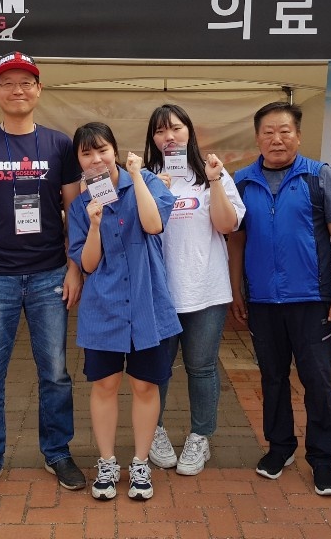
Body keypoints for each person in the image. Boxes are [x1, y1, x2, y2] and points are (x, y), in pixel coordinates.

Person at [0, 51, 86, 502]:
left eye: (26, 82)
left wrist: (74, 269)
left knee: (56, 374)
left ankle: (58, 452)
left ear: (39, 89)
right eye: (7, 83)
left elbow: (76, 211)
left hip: (50, 276)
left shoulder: (59, 145)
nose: (17, 90)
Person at [228, 102, 331, 496]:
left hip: (312, 299)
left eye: (284, 131)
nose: (277, 139)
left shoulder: (318, 176)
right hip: (263, 301)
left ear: (298, 136)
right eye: (268, 132)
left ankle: (323, 459)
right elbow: (236, 242)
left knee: (317, 379)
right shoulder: (242, 181)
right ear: (257, 138)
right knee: (272, 377)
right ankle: (280, 447)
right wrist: (236, 290)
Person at [67, 122, 181, 501]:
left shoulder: (146, 181)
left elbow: (154, 224)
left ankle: (140, 463)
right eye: (86, 154)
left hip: (148, 303)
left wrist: (136, 176)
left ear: (115, 150)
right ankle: (107, 462)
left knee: (145, 385)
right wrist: (94, 225)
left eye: (102, 150)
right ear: (79, 161)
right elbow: (87, 264)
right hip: (104, 307)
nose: (96, 159)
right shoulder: (81, 205)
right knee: (104, 385)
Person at [141, 104, 245, 475]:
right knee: (157, 370)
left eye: (176, 128)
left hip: (205, 290)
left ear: (189, 131)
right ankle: (153, 431)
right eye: (160, 131)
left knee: (201, 368)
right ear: (152, 138)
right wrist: (157, 192)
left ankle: (201, 436)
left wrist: (214, 181)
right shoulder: (145, 176)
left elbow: (227, 225)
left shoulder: (212, 171)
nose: (169, 136)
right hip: (159, 292)